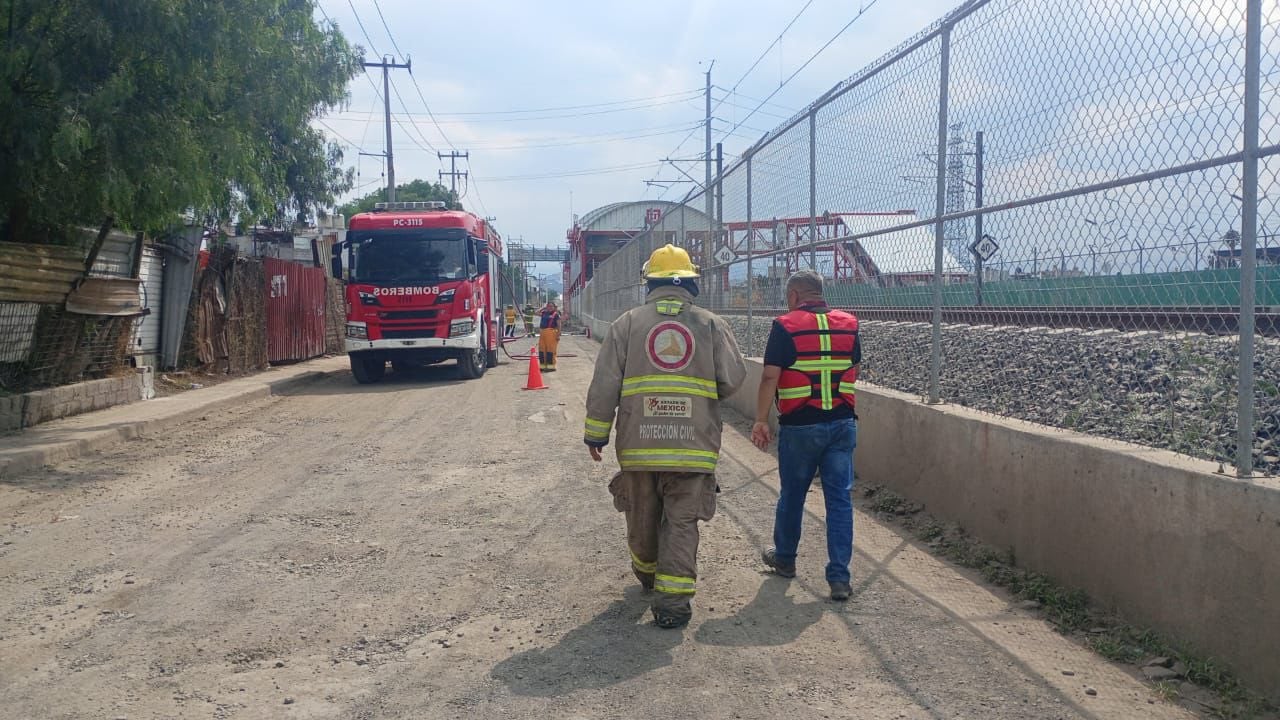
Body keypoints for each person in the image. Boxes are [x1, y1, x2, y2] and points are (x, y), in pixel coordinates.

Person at [584, 244, 746, 629]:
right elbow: (733, 378)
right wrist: (700, 396)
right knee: (682, 522)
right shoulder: (710, 325)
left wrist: (597, 433)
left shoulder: (627, 324)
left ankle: (648, 575)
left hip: (640, 445)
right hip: (693, 447)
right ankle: (672, 604)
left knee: (642, 518)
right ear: (691, 283)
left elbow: (605, 383)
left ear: (649, 284)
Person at [750, 270, 861, 602]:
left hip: (801, 427)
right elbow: (851, 365)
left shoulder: (785, 325)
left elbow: (771, 376)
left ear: (795, 295)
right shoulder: (850, 324)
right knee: (839, 501)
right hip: (842, 423)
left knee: (793, 495)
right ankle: (840, 578)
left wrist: (760, 420)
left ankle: (785, 558)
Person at [537, 302, 561, 371]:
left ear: (554, 307)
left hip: (551, 333)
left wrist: (558, 335)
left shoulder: (556, 315)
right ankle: (542, 366)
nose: (549, 307)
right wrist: (543, 307)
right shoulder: (544, 313)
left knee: (550, 351)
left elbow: (559, 325)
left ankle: (551, 367)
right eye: (548, 306)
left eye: (551, 306)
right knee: (542, 350)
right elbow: (536, 312)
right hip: (543, 333)